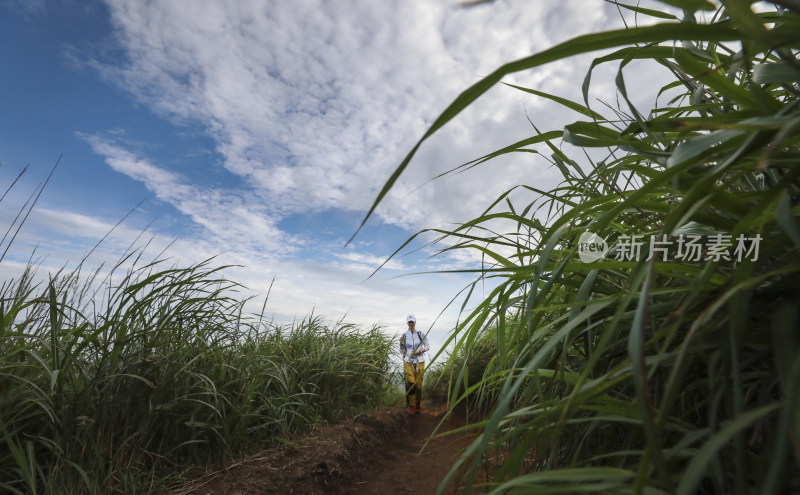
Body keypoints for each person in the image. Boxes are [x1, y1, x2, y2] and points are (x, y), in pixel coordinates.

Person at [399, 314, 429, 415]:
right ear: (407, 323)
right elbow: (401, 350)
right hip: (408, 361)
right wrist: (402, 346)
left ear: (415, 322)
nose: (411, 324)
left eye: (412, 322)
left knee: (419, 386)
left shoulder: (420, 334)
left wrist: (419, 351)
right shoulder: (403, 336)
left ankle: (417, 405)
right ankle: (411, 406)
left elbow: (428, 346)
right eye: (409, 322)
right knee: (411, 383)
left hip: (420, 361)